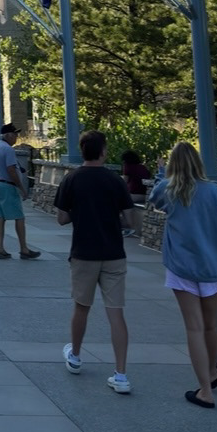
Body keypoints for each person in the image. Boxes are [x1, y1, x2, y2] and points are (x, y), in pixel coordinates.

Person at [148, 142, 217, 408]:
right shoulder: (215, 191)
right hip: (214, 266)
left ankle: (205, 391)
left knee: (194, 327)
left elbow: (154, 197)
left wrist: (161, 173)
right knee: (211, 325)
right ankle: (211, 371)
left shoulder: (170, 190)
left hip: (182, 267)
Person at [55, 130, 136, 392]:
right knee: (116, 313)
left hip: (83, 253)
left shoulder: (72, 178)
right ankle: (121, 375)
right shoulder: (115, 180)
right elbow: (130, 220)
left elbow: (62, 218)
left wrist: (81, 213)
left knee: (81, 307)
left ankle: (76, 356)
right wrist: (113, 218)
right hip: (113, 254)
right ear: (103, 151)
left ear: (83, 150)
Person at [0, 124, 40, 259]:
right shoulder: (8, 149)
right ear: (8, 135)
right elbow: (11, 170)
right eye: (15, 134)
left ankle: (0, 249)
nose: (17, 137)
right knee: (19, 217)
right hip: (7, 186)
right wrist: (22, 188)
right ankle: (24, 249)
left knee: (0, 217)